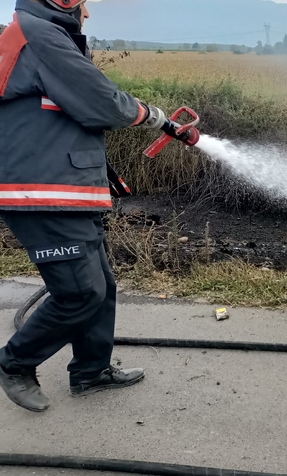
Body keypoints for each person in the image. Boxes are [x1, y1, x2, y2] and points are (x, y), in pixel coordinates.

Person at [0, 0, 168, 412]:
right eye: (80, 2)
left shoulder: (42, 33)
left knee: (101, 286)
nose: (86, 12)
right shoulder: (39, 35)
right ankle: (13, 363)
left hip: (66, 186)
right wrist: (150, 115)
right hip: (40, 191)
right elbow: (101, 102)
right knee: (79, 292)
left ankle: (91, 371)